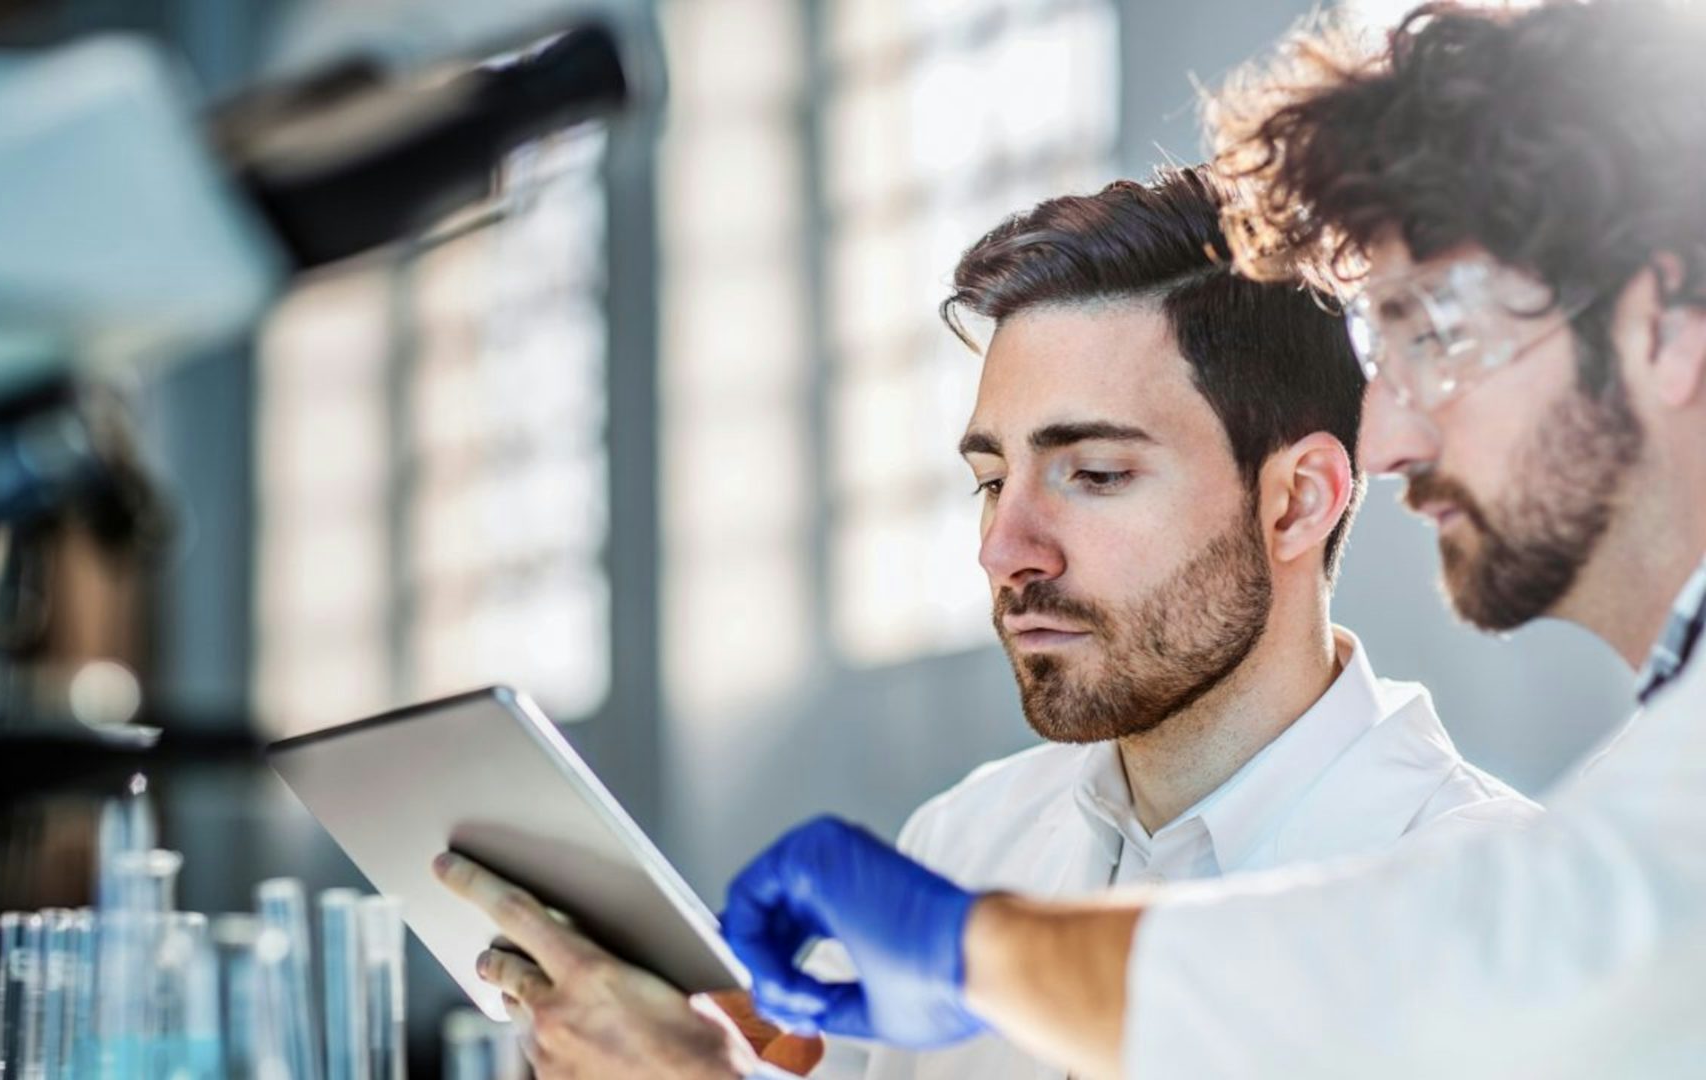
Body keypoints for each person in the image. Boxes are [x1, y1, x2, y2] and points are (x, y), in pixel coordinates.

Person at [717, 1, 1706, 1077]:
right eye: (990, 480)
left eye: (1443, 336)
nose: (1394, 432)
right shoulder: (967, 838)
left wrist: (974, 948)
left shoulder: (1496, 859)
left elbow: (1461, 974)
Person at [432, 167, 1540, 1079]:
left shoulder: (1500, 910)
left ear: (1298, 500)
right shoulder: (963, 845)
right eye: (989, 480)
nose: (1005, 549)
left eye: (1095, 474)